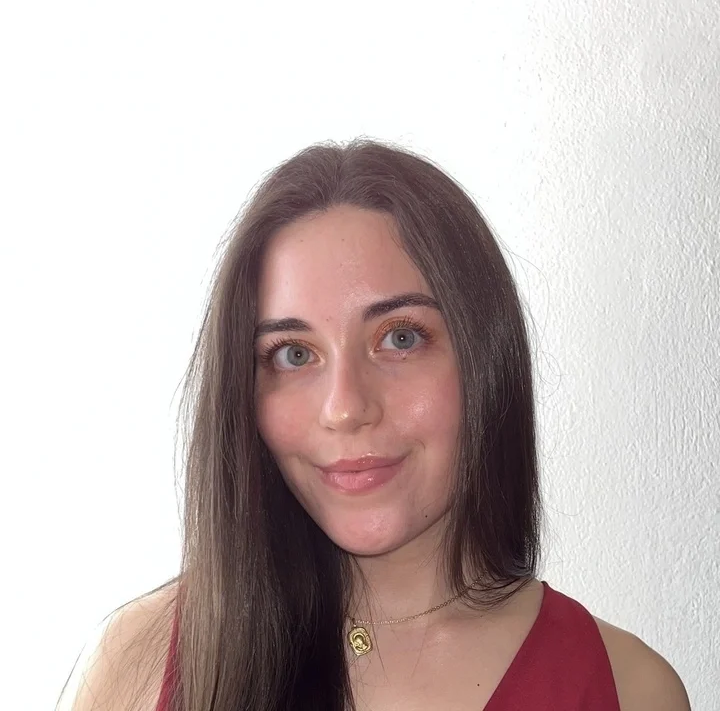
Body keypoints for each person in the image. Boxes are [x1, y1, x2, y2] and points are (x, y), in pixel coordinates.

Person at [59, 139, 691, 711]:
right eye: (293, 354)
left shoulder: (631, 691)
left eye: (401, 337)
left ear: (485, 361)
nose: (344, 407)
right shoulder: (136, 665)